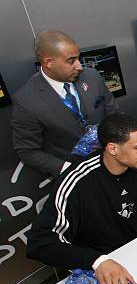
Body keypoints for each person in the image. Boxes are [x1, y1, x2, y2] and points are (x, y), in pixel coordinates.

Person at [27, 113, 137, 284]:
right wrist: (97, 261)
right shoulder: (77, 181)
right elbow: (40, 242)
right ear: (112, 149)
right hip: (105, 270)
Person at [11, 30, 119, 177]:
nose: (79, 66)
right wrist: (70, 170)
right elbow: (28, 151)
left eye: (78, 58)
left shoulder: (92, 77)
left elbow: (114, 114)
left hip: (113, 160)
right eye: (71, 61)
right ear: (49, 62)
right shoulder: (26, 101)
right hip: (75, 175)